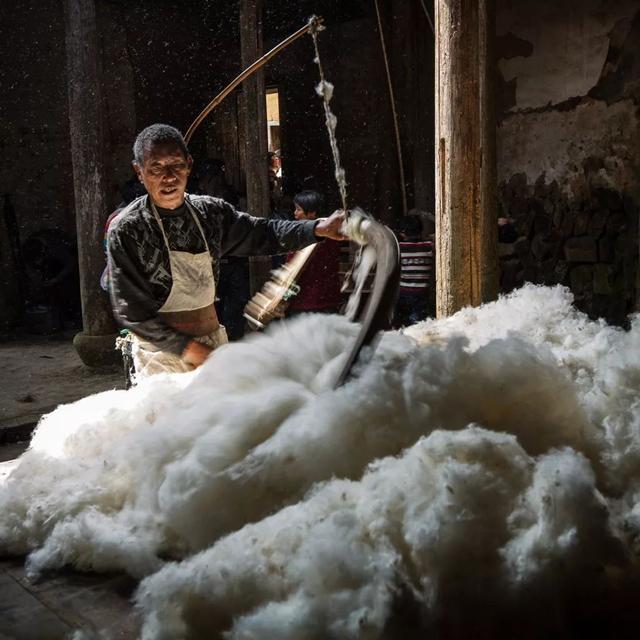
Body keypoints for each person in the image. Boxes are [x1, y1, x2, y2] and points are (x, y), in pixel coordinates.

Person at [107, 124, 345, 379]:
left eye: (176, 165)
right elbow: (131, 310)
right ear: (139, 171)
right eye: (156, 167)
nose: (168, 176)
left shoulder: (210, 213)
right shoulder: (128, 228)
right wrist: (191, 350)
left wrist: (318, 228)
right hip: (160, 356)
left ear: (189, 164)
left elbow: (263, 232)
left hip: (211, 341)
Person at [284, 190, 343, 317]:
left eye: (298, 209)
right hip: (328, 300)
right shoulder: (333, 235)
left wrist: (285, 298)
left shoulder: (299, 237)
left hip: (303, 303)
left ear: (311, 213)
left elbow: (291, 272)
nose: (295, 214)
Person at [394, 215, 434, 327]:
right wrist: (428, 237)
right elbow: (436, 237)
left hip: (403, 294)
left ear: (403, 233)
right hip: (422, 294)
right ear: (420, 230)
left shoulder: (399, 248)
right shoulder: (429, 246)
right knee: (418, 324)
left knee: (401, 323)